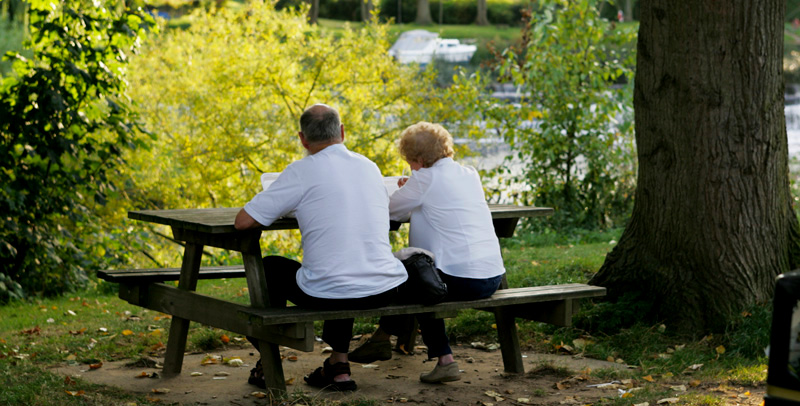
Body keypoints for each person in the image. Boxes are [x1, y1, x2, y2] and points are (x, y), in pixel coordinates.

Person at [234, 104, 408, 391]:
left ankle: (268, 364)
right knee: (341, 262)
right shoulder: (370, 166)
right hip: (384, 289)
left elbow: (243, 222)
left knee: (271, 268)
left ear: (303, 139)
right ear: (341, 131)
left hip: (330, 293)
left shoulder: (301, 171)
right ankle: (338, 367)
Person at [348, 121, 506, 384]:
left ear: (419, 160)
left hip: (459, 279)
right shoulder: (469, 174)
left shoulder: (424, 179)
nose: (410, 166)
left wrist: (404, 189)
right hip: (492, 277)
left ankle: (439, 357)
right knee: (422, 275)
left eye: (411, 160)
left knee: (418, 281)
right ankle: (382, 339)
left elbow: (386, 209)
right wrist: (411, 187)